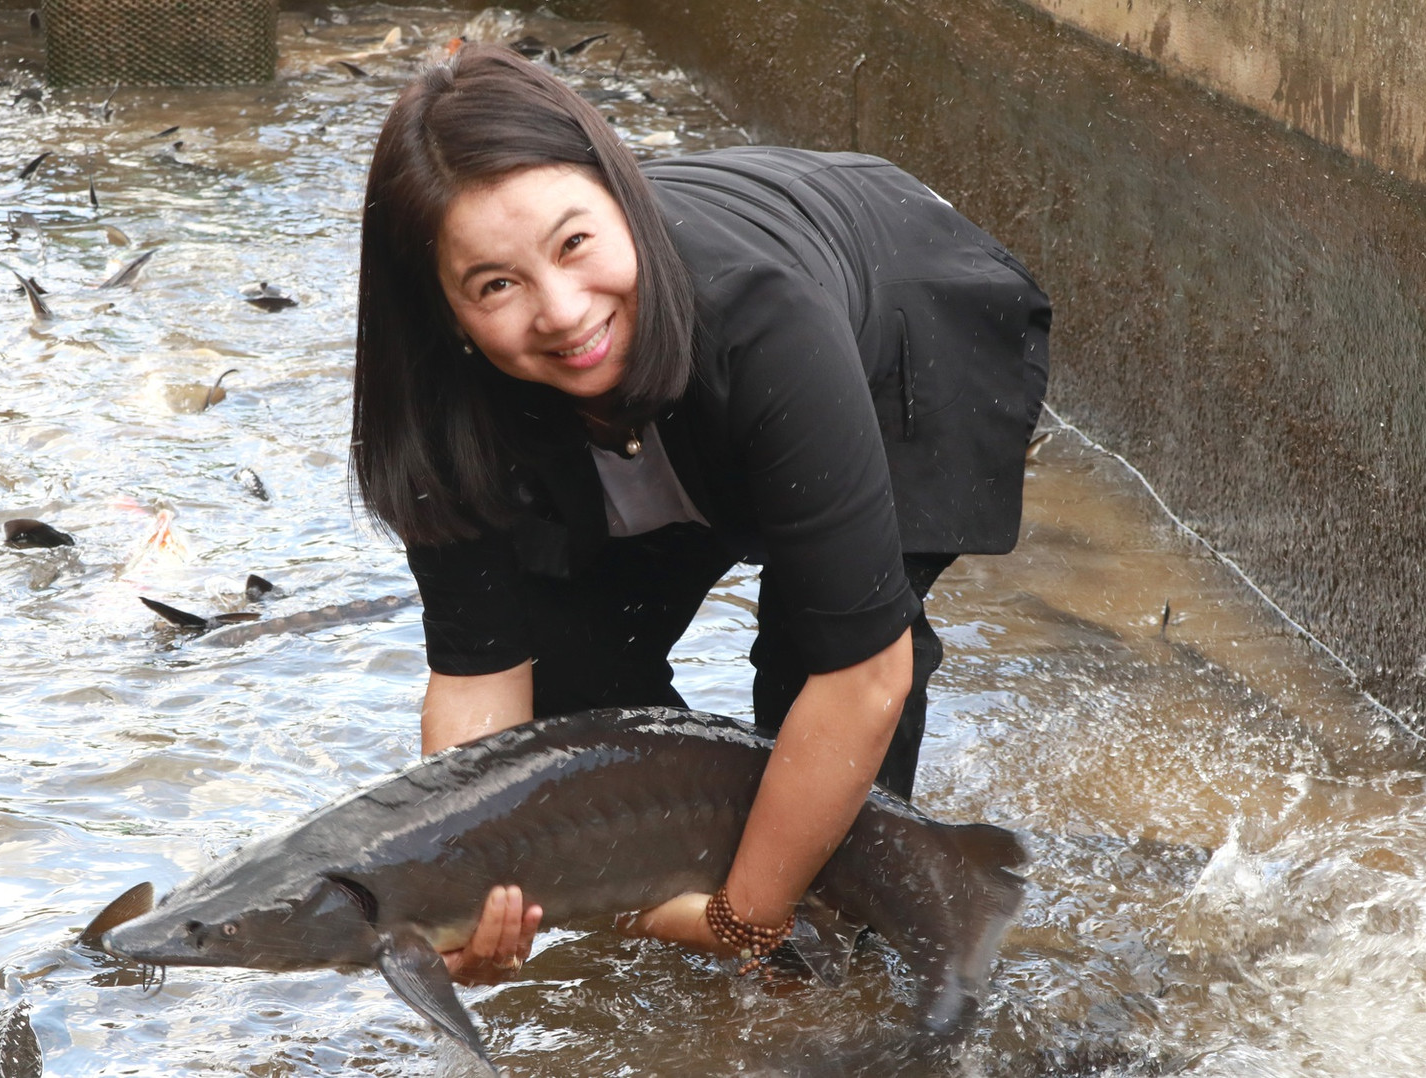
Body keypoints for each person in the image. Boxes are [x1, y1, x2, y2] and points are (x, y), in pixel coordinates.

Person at [350, 44, 1049, 986]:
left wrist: (745, 917)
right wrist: (460, 895)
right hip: (655, 420)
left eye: (575, 243)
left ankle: (875, 938)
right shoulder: (440, 403)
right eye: (496, 285)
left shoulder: (766, 321)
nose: (562, 311)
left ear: (621, 198)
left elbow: (862, 679)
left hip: (897, 326)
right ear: (445, 316)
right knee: (577, 678)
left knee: (813, 657)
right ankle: (704, 877)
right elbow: (482, 679)